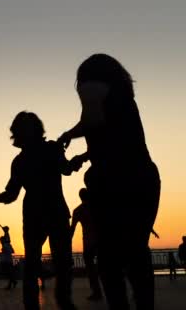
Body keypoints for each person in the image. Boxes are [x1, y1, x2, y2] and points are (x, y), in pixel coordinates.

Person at [58, 54, 160, 309]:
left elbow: (93, 122)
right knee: (136, 253)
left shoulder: (93, 87)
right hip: (143, 178)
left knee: (110, 261)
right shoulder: (125, 99)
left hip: (119, 182)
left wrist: (71, 136)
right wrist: (82, 149)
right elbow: (111, 136)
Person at [0, 111, 82, 310]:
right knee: (61, 262)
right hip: (54, 212)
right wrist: (78, 159)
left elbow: (10, 196)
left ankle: (38, 305)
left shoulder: (21, 161)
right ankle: (63, 301)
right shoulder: (50, 149)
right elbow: (67, 169)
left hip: (35, 214)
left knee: (34, 266)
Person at [69, 188, 103, 301]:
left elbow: (72, 230)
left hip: (88, 243)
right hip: (100, 241)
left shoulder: (78, 210)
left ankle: (96, 292)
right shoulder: (97, 207)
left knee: (91, 269)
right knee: (105, 267)